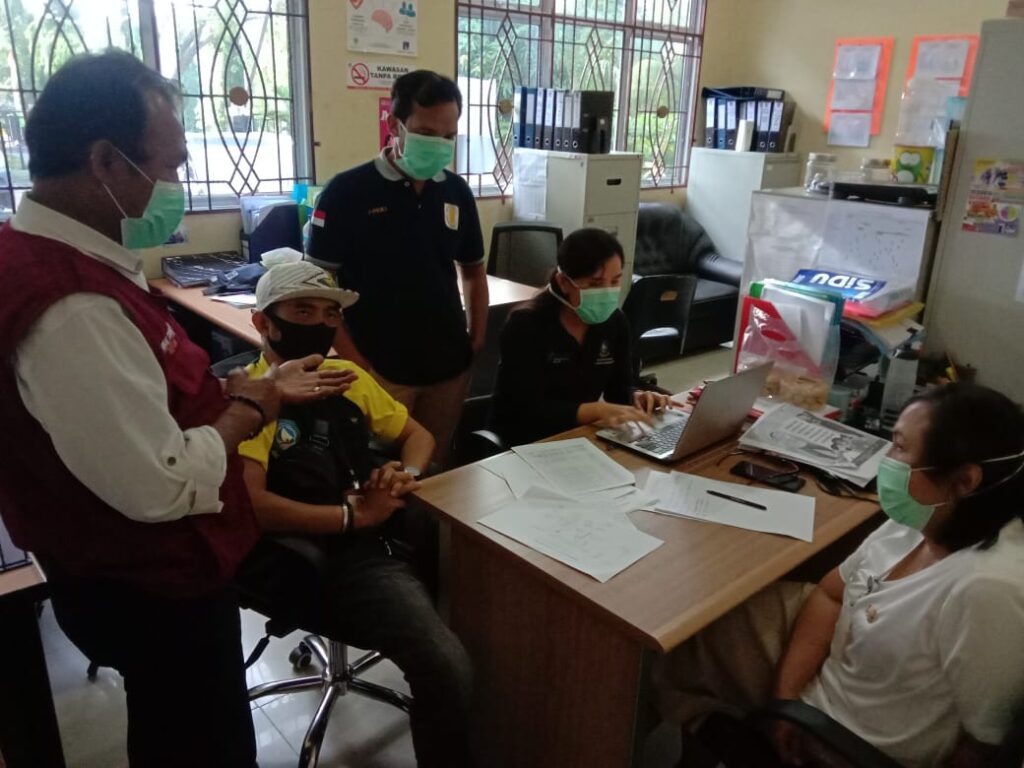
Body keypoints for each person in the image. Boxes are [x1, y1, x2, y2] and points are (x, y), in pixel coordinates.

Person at [0, 52, 350, 766]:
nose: (177, 187)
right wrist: (249, 408)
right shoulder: (72, 307)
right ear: (106, 161)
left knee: (173, 730)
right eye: (171, 165)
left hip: (140, 571)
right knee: (199, 744)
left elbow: (140, 402)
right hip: (150, 586)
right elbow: (157, 484)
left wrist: (234, 391)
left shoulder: (63, 257)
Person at [653, 383, 1024, 768]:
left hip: (845, 737)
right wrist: (786, 695)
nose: (887, 458)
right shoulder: (924, 518)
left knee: (680, 655)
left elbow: (983, 746)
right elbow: (831, 594)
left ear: (964, 482)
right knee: (698, 620)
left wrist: (797, 718)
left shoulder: (988, 590)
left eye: (900, 448)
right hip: (836, 665)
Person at [235, 261, 473, 768]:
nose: (320, 325)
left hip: (381, 526)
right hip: (319, 555)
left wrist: (404, 472)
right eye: (303, 311)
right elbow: (252, 505)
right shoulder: (251, 399)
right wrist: (352, 519)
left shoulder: (347, 377)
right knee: (445, 664)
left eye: (330, 315)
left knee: (492, 598)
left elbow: (418, 436)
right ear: (263, 323)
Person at [306, 69, 487, 465]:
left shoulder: (456, 191)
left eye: (448, 136)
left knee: (434, 468)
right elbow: (319, 288)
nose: (439, 145)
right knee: (377, 471)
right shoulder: (346, 192)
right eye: (426, 133)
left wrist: (476, 339)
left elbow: (473, 270)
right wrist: (357, 363)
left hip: (448, 367)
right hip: (380, 370)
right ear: (394, 125)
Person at [491, 227, 672, 446]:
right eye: (595, 283)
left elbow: (619, 389)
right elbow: (525, 410)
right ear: (564, 282)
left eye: (615, 281)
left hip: (579, 437)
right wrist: (595, 410)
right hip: (524, 441)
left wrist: (637, 397)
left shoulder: (615, 322)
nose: (607, 291)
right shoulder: (526, 325)